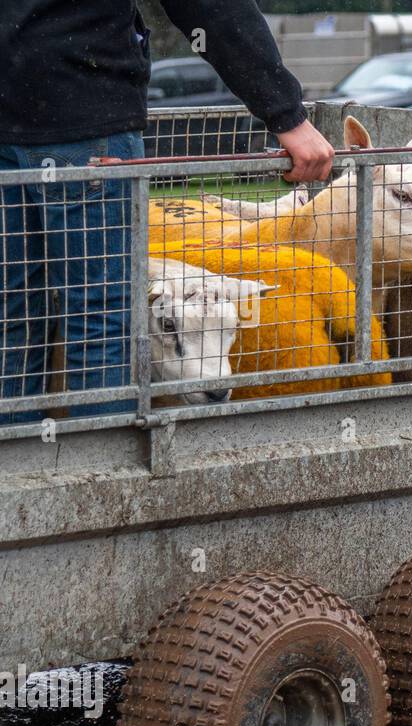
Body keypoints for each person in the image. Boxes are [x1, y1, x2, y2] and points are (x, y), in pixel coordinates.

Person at [0, 0, 332, 423]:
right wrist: (287, 115)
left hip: (14, 115)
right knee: (99, 316)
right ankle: (103, 471)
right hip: (82, 113)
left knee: (13, 313)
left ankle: (15, 468)